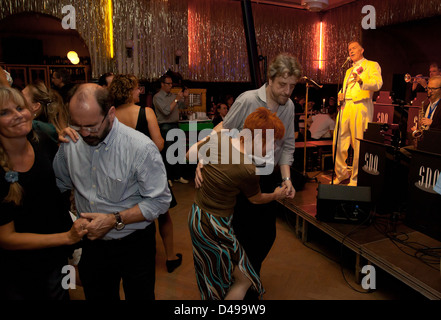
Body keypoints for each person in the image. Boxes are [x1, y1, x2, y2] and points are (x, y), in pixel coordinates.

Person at [195, 53, 301, 298]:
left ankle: (244, 282)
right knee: (243, 236)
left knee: (266, 236)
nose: (287, 91)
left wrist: (287, 179)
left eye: (292, 86)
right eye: (282, 85)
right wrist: (203, 158)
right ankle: (243, 286)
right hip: (242, 177)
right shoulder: (248, 99)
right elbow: (223, 131)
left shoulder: (289, 106)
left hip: (268, 176)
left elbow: (287, 146)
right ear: (270, 79)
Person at [53, 83, 171, 300]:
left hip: (134, 243)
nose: (85, 133)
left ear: (111, 113)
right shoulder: (70, 143)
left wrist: (113, 219)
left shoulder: (140, 147)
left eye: (91, 126)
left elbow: (160, 201)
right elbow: (60, 184)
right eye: (78, 125)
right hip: (92, 245)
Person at [187, 107, 287, 300]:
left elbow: (188, 155)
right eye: (272, 142)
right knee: (233, 281)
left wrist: (202, 160)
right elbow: (256, 199)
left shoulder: (221, 138)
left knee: (223, 278)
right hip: (214, 226)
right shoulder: (247, 170)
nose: (274, 148)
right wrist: (276, 195)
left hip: (197, 217)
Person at [0, 86, 87, 300]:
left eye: (20, 108)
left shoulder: (43, 141)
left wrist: (69, 139)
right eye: (4, 112)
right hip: (18, 268)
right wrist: (65, 238)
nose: (18, 115)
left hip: (55, 258)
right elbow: (6, 238)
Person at [109, 74, 182, 273]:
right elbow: (158, 144)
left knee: (128, 213)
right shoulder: (146, 112)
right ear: (128, 91)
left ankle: (131, 259)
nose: (139, 91)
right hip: (149, 173)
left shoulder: (111, 115)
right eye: (135, 88)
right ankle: (170, 257)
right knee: (163, 213)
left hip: (122, 174)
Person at [334, 40, 383, 186]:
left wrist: (361, 81)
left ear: (362, 49)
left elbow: (378, 84)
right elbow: (346, 88)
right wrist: (340, 94)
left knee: (358, 143)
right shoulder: (348, 70)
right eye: (349, 49)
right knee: (339, 140)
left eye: (354, 48)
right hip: (346, 106)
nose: (351, 51)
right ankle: (341, 173)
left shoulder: (372, 65)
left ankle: (355, 177)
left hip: (360, 106)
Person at [153, 75, 189, 184]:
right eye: (168, 83)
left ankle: (178, 176)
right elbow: (166, 111)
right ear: (162, 84)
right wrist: (177, 99)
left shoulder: (173, 95)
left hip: (175, 125)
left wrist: (186, 97)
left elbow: (184, 106)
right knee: (167, 153)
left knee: (178, 152)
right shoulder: (157, 97)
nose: (170, 86)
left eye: (171, 83)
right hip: (165, 126)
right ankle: (167, 178)